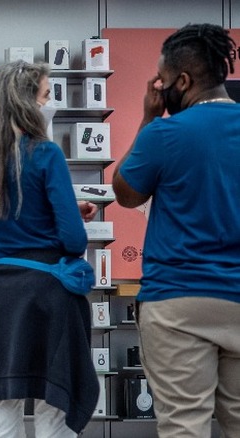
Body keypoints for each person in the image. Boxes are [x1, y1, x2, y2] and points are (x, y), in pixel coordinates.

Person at [112, 23, 240, 437]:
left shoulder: (165, 134)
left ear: (182, 81)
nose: (160, 89)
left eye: (162, 82)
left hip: (177, 300)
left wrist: (149, 117)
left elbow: (126, 193)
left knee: (185, 425)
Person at [0, 61, 99, 437]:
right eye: (45, 95)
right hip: (48, 291)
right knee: (53, 404)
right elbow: (73, 239)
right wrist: (70, 215)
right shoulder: (46, 153)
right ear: (26, 101)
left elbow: (2, 215)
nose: (48, 103)